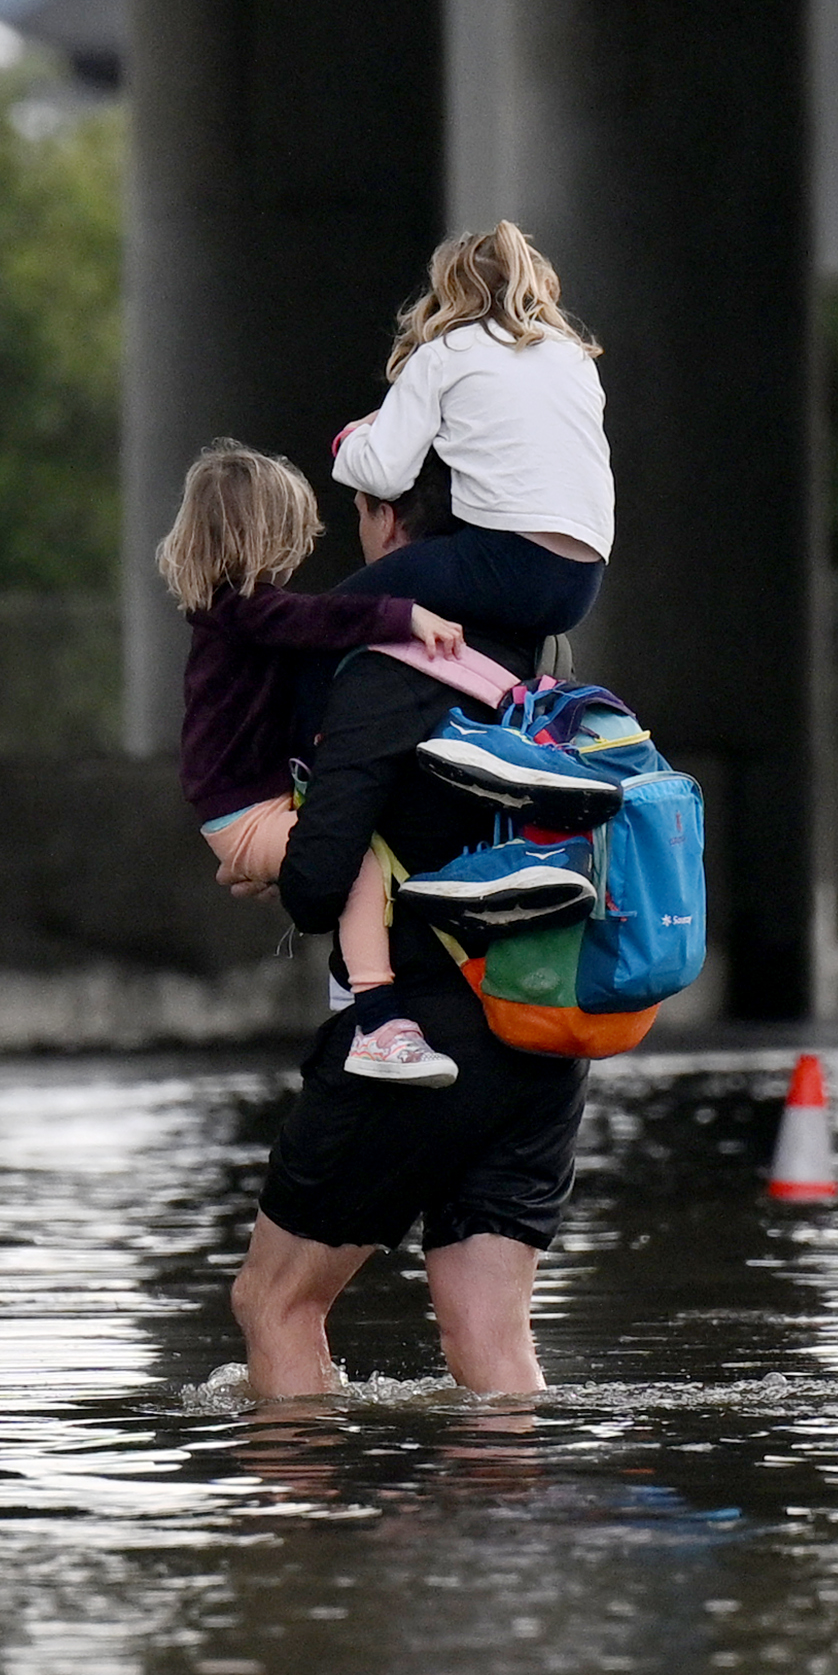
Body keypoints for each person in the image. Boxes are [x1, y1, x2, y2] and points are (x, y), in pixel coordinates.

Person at [222, 476, 589, 1398]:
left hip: (416, 1037)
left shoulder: (387, 669)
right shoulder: (533, 662)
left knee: (275, 1303)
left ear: (391, 522)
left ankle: (301, 1541)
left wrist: (264, 855)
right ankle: (507, 1534)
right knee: (492, 1341)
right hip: (542, 1037)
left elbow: (318, 883)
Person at [156, 440, 468, 1086]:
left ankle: (357, 994)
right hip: (244, 810)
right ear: (260, 532)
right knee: (354, 860)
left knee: (359, 847)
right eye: (292, 532)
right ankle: (376, 1019)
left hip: (250, 802)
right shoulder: (242, 608)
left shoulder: (235, 614)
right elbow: (319, 619)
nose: (301, 548)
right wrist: (406, 615)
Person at [326, 220, 612, 643]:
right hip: (581, 586)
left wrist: (350, 440)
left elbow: (383, 473)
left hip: (504, 563)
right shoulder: (575, 359)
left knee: (330, 619)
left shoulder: (445, 353)